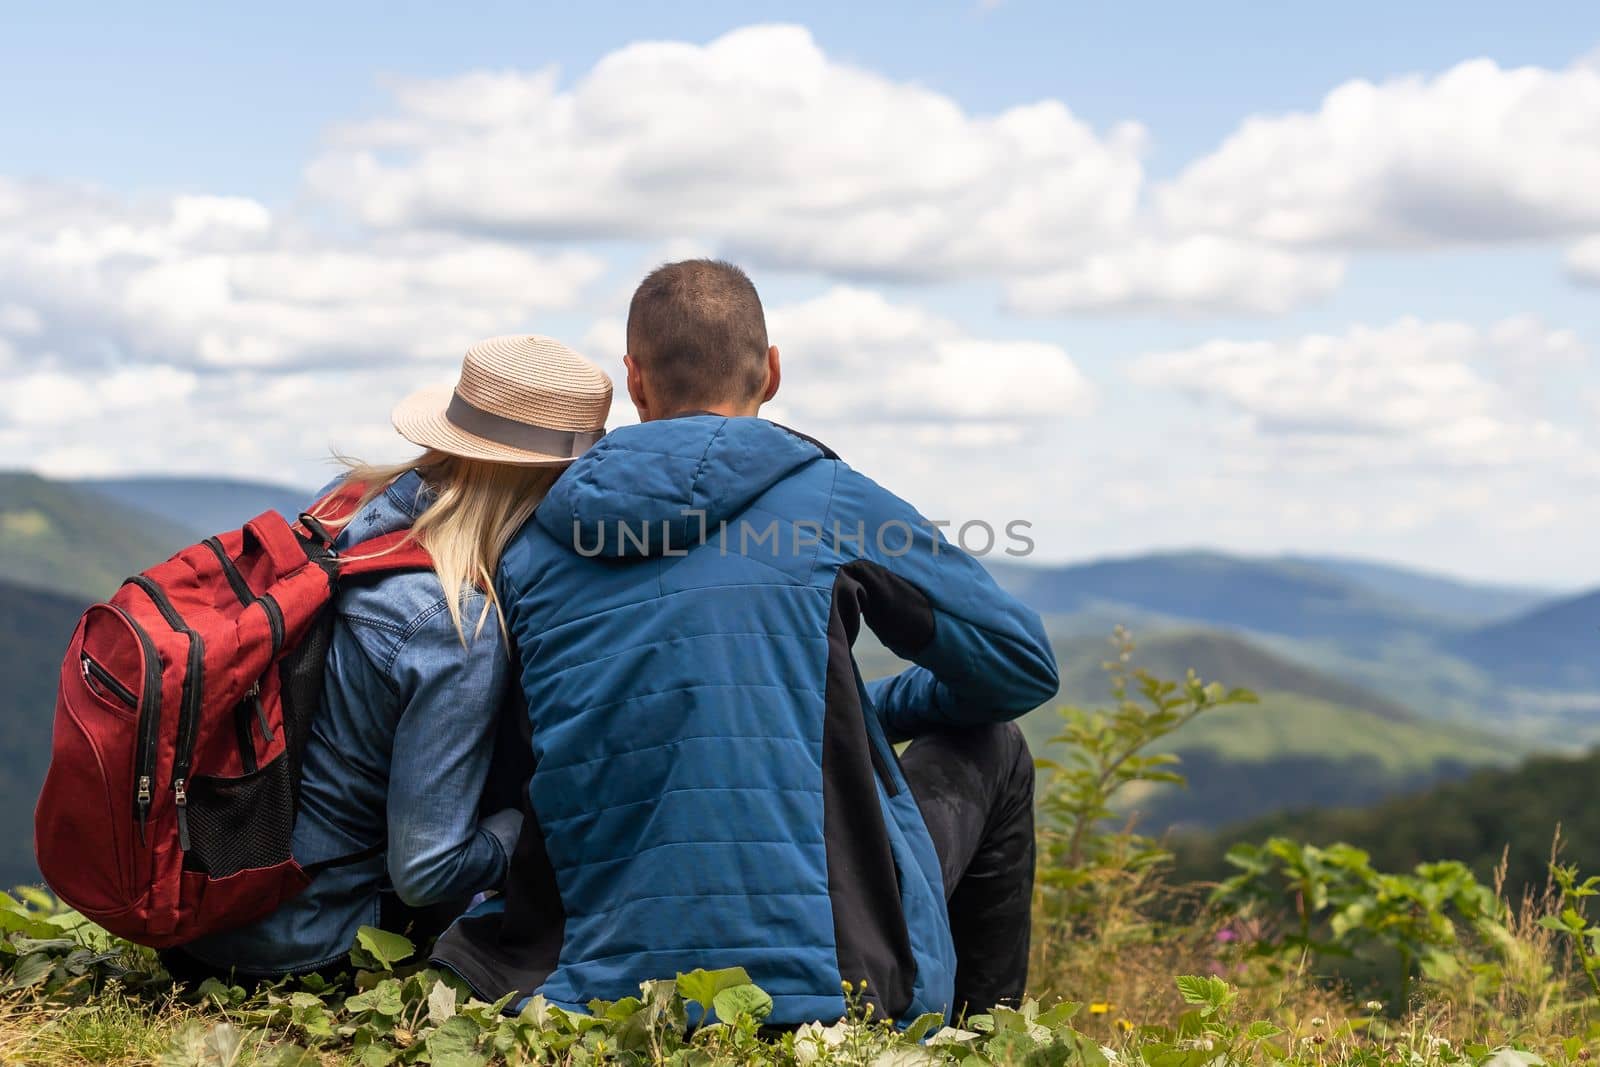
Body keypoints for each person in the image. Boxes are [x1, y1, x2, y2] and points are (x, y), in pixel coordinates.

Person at [432, 261, 1058, 1025]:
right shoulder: (828, 500)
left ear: (634, 381)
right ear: (773, 370)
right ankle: (984, 1038)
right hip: (836, 980)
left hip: (604, 987)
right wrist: (888, 709)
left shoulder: (533, 545)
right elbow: (1020, 665)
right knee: (996, 742)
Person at [170, 335, 613, 980]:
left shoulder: (345, 507)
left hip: (212, 905)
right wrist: (527, 828)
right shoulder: (454, 624)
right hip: (308, 939)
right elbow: (428, 873)